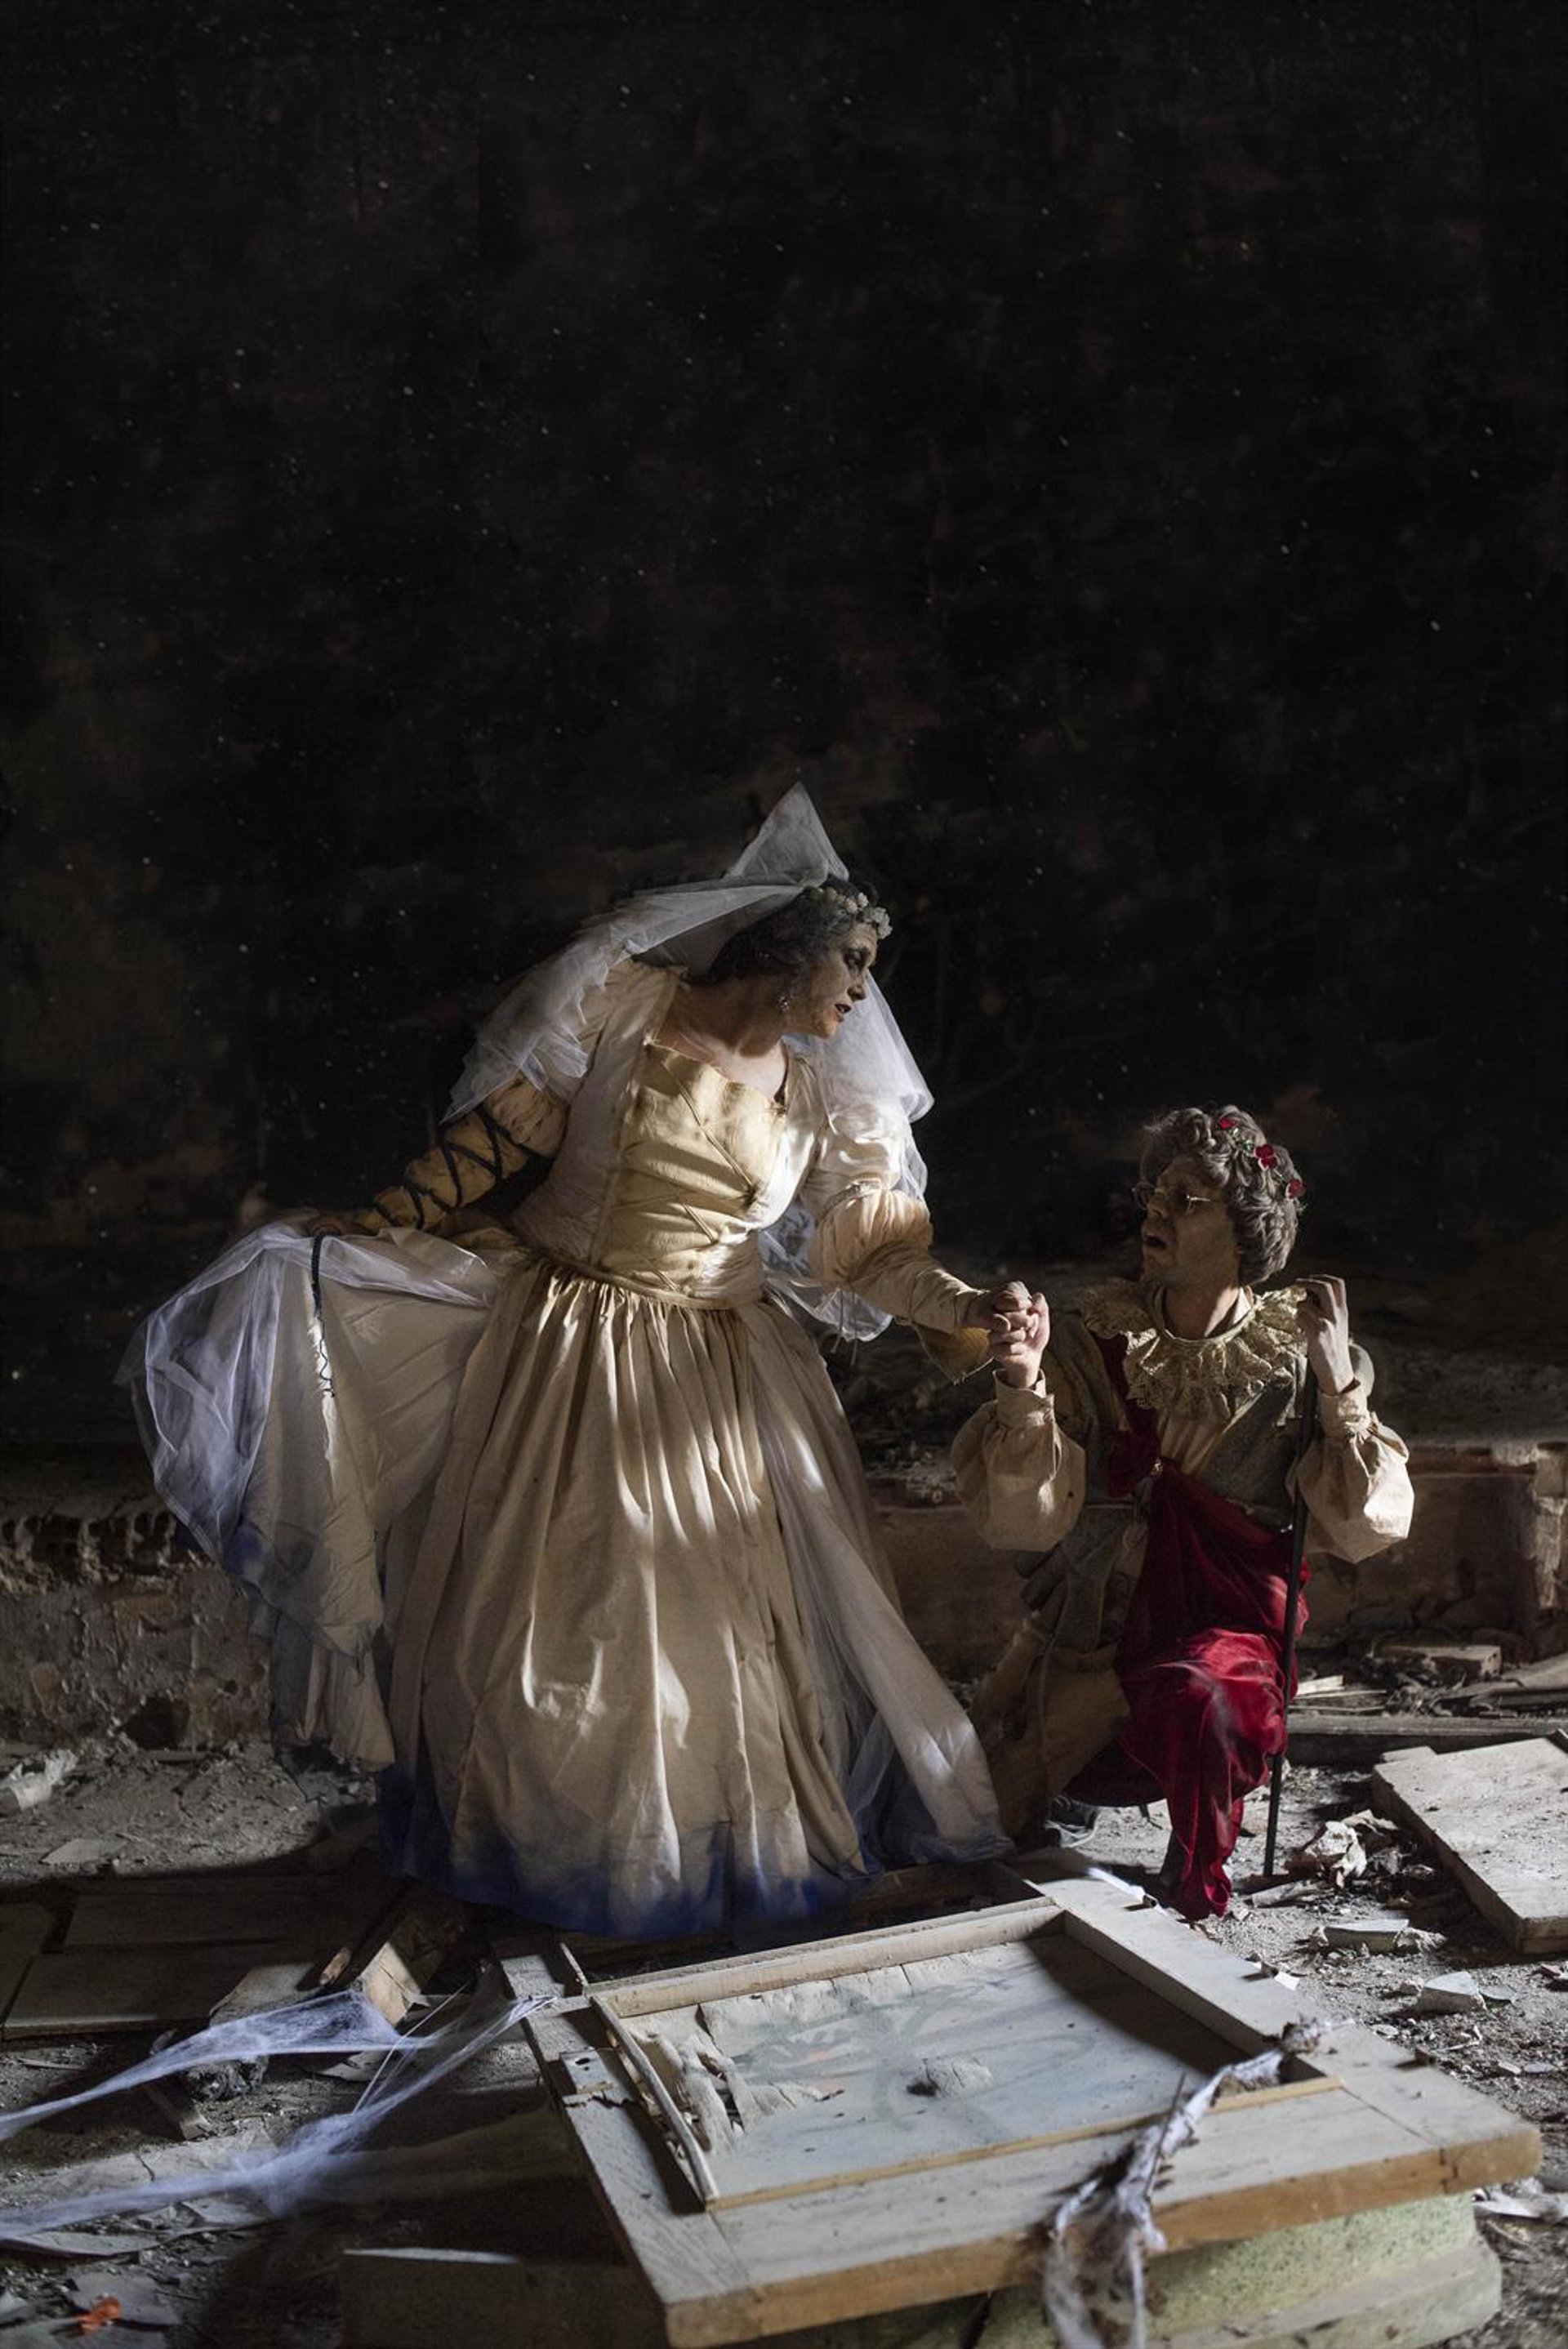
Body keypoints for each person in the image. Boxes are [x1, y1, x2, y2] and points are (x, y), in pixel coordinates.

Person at [123, 790, 1007, 1938]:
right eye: (850, 962)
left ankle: (696, 1852)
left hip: (723, 1378)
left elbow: (873, 1250)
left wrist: (968, 1307)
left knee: (723, 1632)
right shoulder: (624, 1004)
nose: (859, 993)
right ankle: (557, 1844)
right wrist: (380, 1223)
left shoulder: (823, 1097)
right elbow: (495, 1143)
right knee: (560, 1616)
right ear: (783, 950)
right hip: (567, 1340)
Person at [951, 1105, 1414, 1920]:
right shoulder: (1094, 1342)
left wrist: (1338, 1383)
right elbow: (1023, 1521)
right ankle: (1065, 1794)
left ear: (1245, 1230)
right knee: (969, 1813)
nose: (1154, 1214)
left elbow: (1362, 1528)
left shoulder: (1297, 1363)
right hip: (1094, 1622)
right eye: (1154, 1195)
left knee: (1201, 1693)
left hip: (1221, 1628)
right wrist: (1023, 1382)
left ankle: (1193, 1854)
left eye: (1186, 1200)